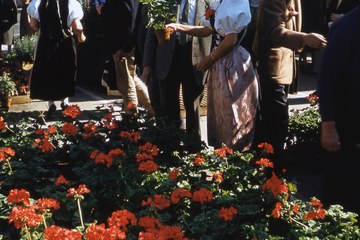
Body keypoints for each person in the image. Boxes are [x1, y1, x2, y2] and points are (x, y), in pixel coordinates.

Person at [166, 0, 258, 151]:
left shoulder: (233, 3)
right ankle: (224, 151)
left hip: (232, 62)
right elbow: (206, 30)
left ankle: (236, 153)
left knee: (232, 108)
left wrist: (210, 58)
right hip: (220, 61)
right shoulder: (220, 3)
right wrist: (179, 27)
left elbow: (231, 39)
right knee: (221, 108)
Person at [252, 0, 327, 172]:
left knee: (277, 121)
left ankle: (272, 163)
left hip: (283, 67)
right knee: (275, 122)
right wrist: (304, 38)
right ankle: (273, 169)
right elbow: (273, 32)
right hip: (272, 68)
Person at [142, 0, 211, 140]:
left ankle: (194, 147)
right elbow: (152, 32)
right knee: (168, 104)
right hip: (168, 58)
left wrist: (212, 59)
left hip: (196, 57)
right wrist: (147, 65)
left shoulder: (208, 3)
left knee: (193, 105)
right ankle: (169, 147)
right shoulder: (164, 2)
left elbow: (215, 30)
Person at [317, 4, 360, 216]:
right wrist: (329, 125)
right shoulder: (347, 27)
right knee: (341, 201)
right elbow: (327, 80)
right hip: (347, 130)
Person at [27, 0, 86, 118]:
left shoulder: (38, 2)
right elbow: (77, 27)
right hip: (64, 42)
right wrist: (81, 37)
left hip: (45, 43)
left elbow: (33, 23)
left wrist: (42, 31)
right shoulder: (71, 3)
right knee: (65, 70)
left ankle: (51, 103)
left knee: (48, 71)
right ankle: (65, 101)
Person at [101, 0, 153, 116]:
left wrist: (124, 48)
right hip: (123, 46)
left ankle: (131, 119)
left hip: (122, 47)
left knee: (126, 85)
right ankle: (153, 111)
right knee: (132, 78)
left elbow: (131, 20)